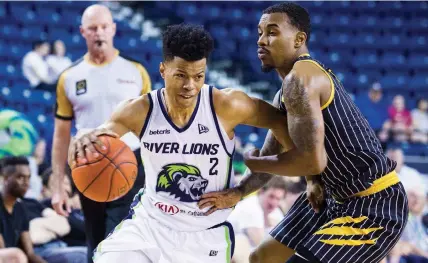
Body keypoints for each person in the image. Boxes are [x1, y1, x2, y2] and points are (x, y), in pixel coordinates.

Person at [198, 3, 409, 263]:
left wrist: (254, 161)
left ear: (299, 39)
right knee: (262, 258)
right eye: (260, 32)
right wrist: (238, 192)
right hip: (330, 196)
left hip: (373, 203)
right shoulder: (285, 93)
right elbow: (270, 161)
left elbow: (312, 161)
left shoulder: (302, 77)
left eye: (272, 32)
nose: (261, 40)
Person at [68, 23, 292, 263]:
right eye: (181, 75)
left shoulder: (227, 105)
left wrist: (241, 190)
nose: (190, 86)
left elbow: (284, 125)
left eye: (199, 76)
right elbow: (96, 141)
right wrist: (81, 141)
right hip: (149, 227)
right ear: (163, 70)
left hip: (204, 234)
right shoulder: (138, 111)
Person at [50, 4, 152, 263]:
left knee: (119, 239)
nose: (99, 33)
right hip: (86, 163)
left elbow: (150, 129)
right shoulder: (70, 77)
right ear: (83, 32)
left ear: (114, 29)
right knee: (94, 241)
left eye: (104, 27)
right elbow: (61, 136)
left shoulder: (136, 71)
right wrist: (58, 187)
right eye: (93, 28)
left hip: (129, 162)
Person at [0, 156, 46, 263]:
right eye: (20, 177)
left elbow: (30, 253)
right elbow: (4, 253)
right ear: (5, 178)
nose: (26, 183)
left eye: (28, 178)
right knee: (15, 255)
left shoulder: (20, 208)